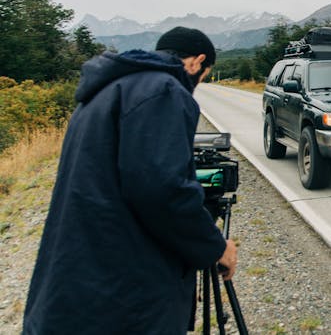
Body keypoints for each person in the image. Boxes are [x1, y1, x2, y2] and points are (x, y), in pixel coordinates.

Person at [23, 27, 238, 334]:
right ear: (197, 62)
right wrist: (214, 246)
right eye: (204, 75)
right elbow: (163, 190)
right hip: (125, 288)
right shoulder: (165, 90)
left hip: (81, 272)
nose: (197, 84)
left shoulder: (104, 91)